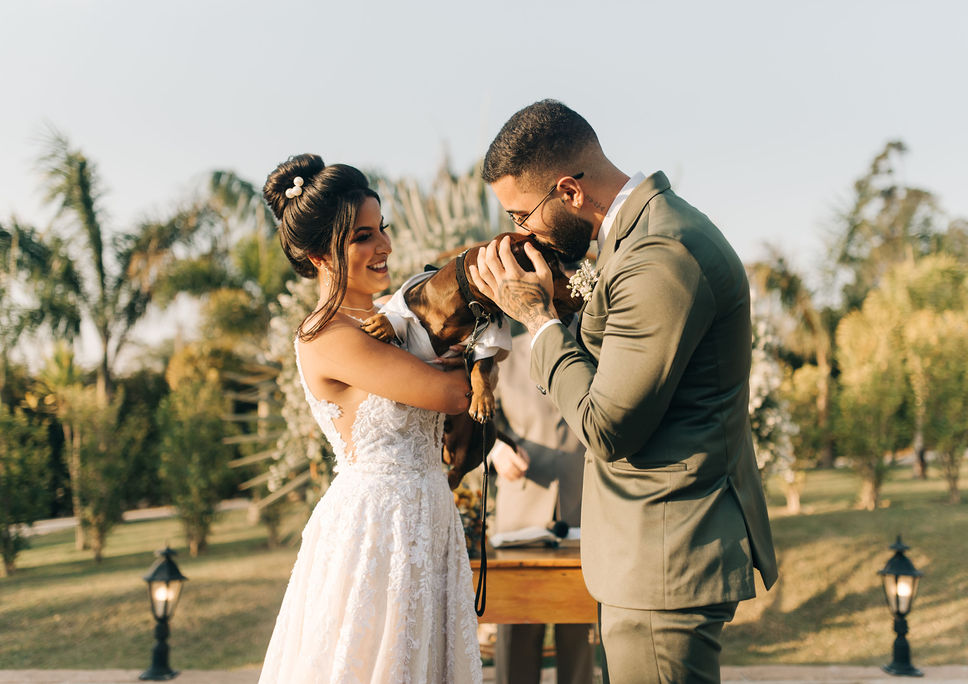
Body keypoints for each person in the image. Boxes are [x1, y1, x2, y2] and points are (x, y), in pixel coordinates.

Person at [470, 100, 778, 684]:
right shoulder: (633, 242)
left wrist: (538, 322)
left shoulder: (660, 254)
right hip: (646, 554)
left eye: (521, 214)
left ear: (569, 190)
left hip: (665, 553)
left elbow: (607, 426)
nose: (519, 233)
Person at [257, 154, 483, 684]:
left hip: (429, 512)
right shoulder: (326, 335)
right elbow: (452, 394)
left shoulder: (397, 318)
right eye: (361, 236)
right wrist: (466, 360)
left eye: (381, 229)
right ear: (318, 253)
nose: (383, 247)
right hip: (378, 527)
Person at [488, 331, 594, 684]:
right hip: (519, 513)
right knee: (516, 638)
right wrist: (494, 451)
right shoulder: (502, 351)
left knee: (579, 637)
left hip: (584, 510)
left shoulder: (596, 342)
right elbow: (476, 422)